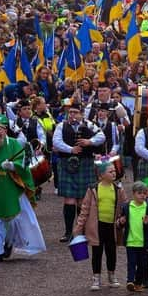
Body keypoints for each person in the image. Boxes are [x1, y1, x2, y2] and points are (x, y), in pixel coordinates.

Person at [0, 114, 46, 262]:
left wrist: (13, 166)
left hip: (11, 190)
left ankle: (9, 242)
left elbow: (24, 165)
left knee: (13, 221)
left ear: (5, 130)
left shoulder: (14, 145)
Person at [53, 100, 106, 242]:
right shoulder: (61, 126)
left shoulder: (89, 125)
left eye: (75, 112)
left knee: (82, 200)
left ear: (81, 114)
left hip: (85, 163)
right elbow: (56, 142)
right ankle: (68, 231)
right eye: (70, 112)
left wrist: (90, 142)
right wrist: (71, 149)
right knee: (69, 199)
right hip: (67, 163)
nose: (72, 115)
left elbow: (102, 137)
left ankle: (80, 230)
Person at [72, 160, 126, 291]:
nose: (114, 173)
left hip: (112, 227)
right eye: (110, 171)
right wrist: (78, 228)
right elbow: (84, 209)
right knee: (97, 253)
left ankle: (111, 276)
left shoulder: (118, 190)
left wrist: (123, 219)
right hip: (96, 227)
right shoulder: (93, 189)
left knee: (111, 252)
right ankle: (96, 278)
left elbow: (125, 207)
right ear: (101, 176)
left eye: (114, 171)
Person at [117, 181, 148, 292]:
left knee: (142, 265)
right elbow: (120, 222)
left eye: (144, 193)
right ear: (133, 193)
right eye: (139, 193)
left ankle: (138, 283)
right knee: (131, 263)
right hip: (131, 241)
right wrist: (121, 221)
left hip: (143, 242)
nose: (142, 195)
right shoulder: (127, 207)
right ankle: (130, 281)